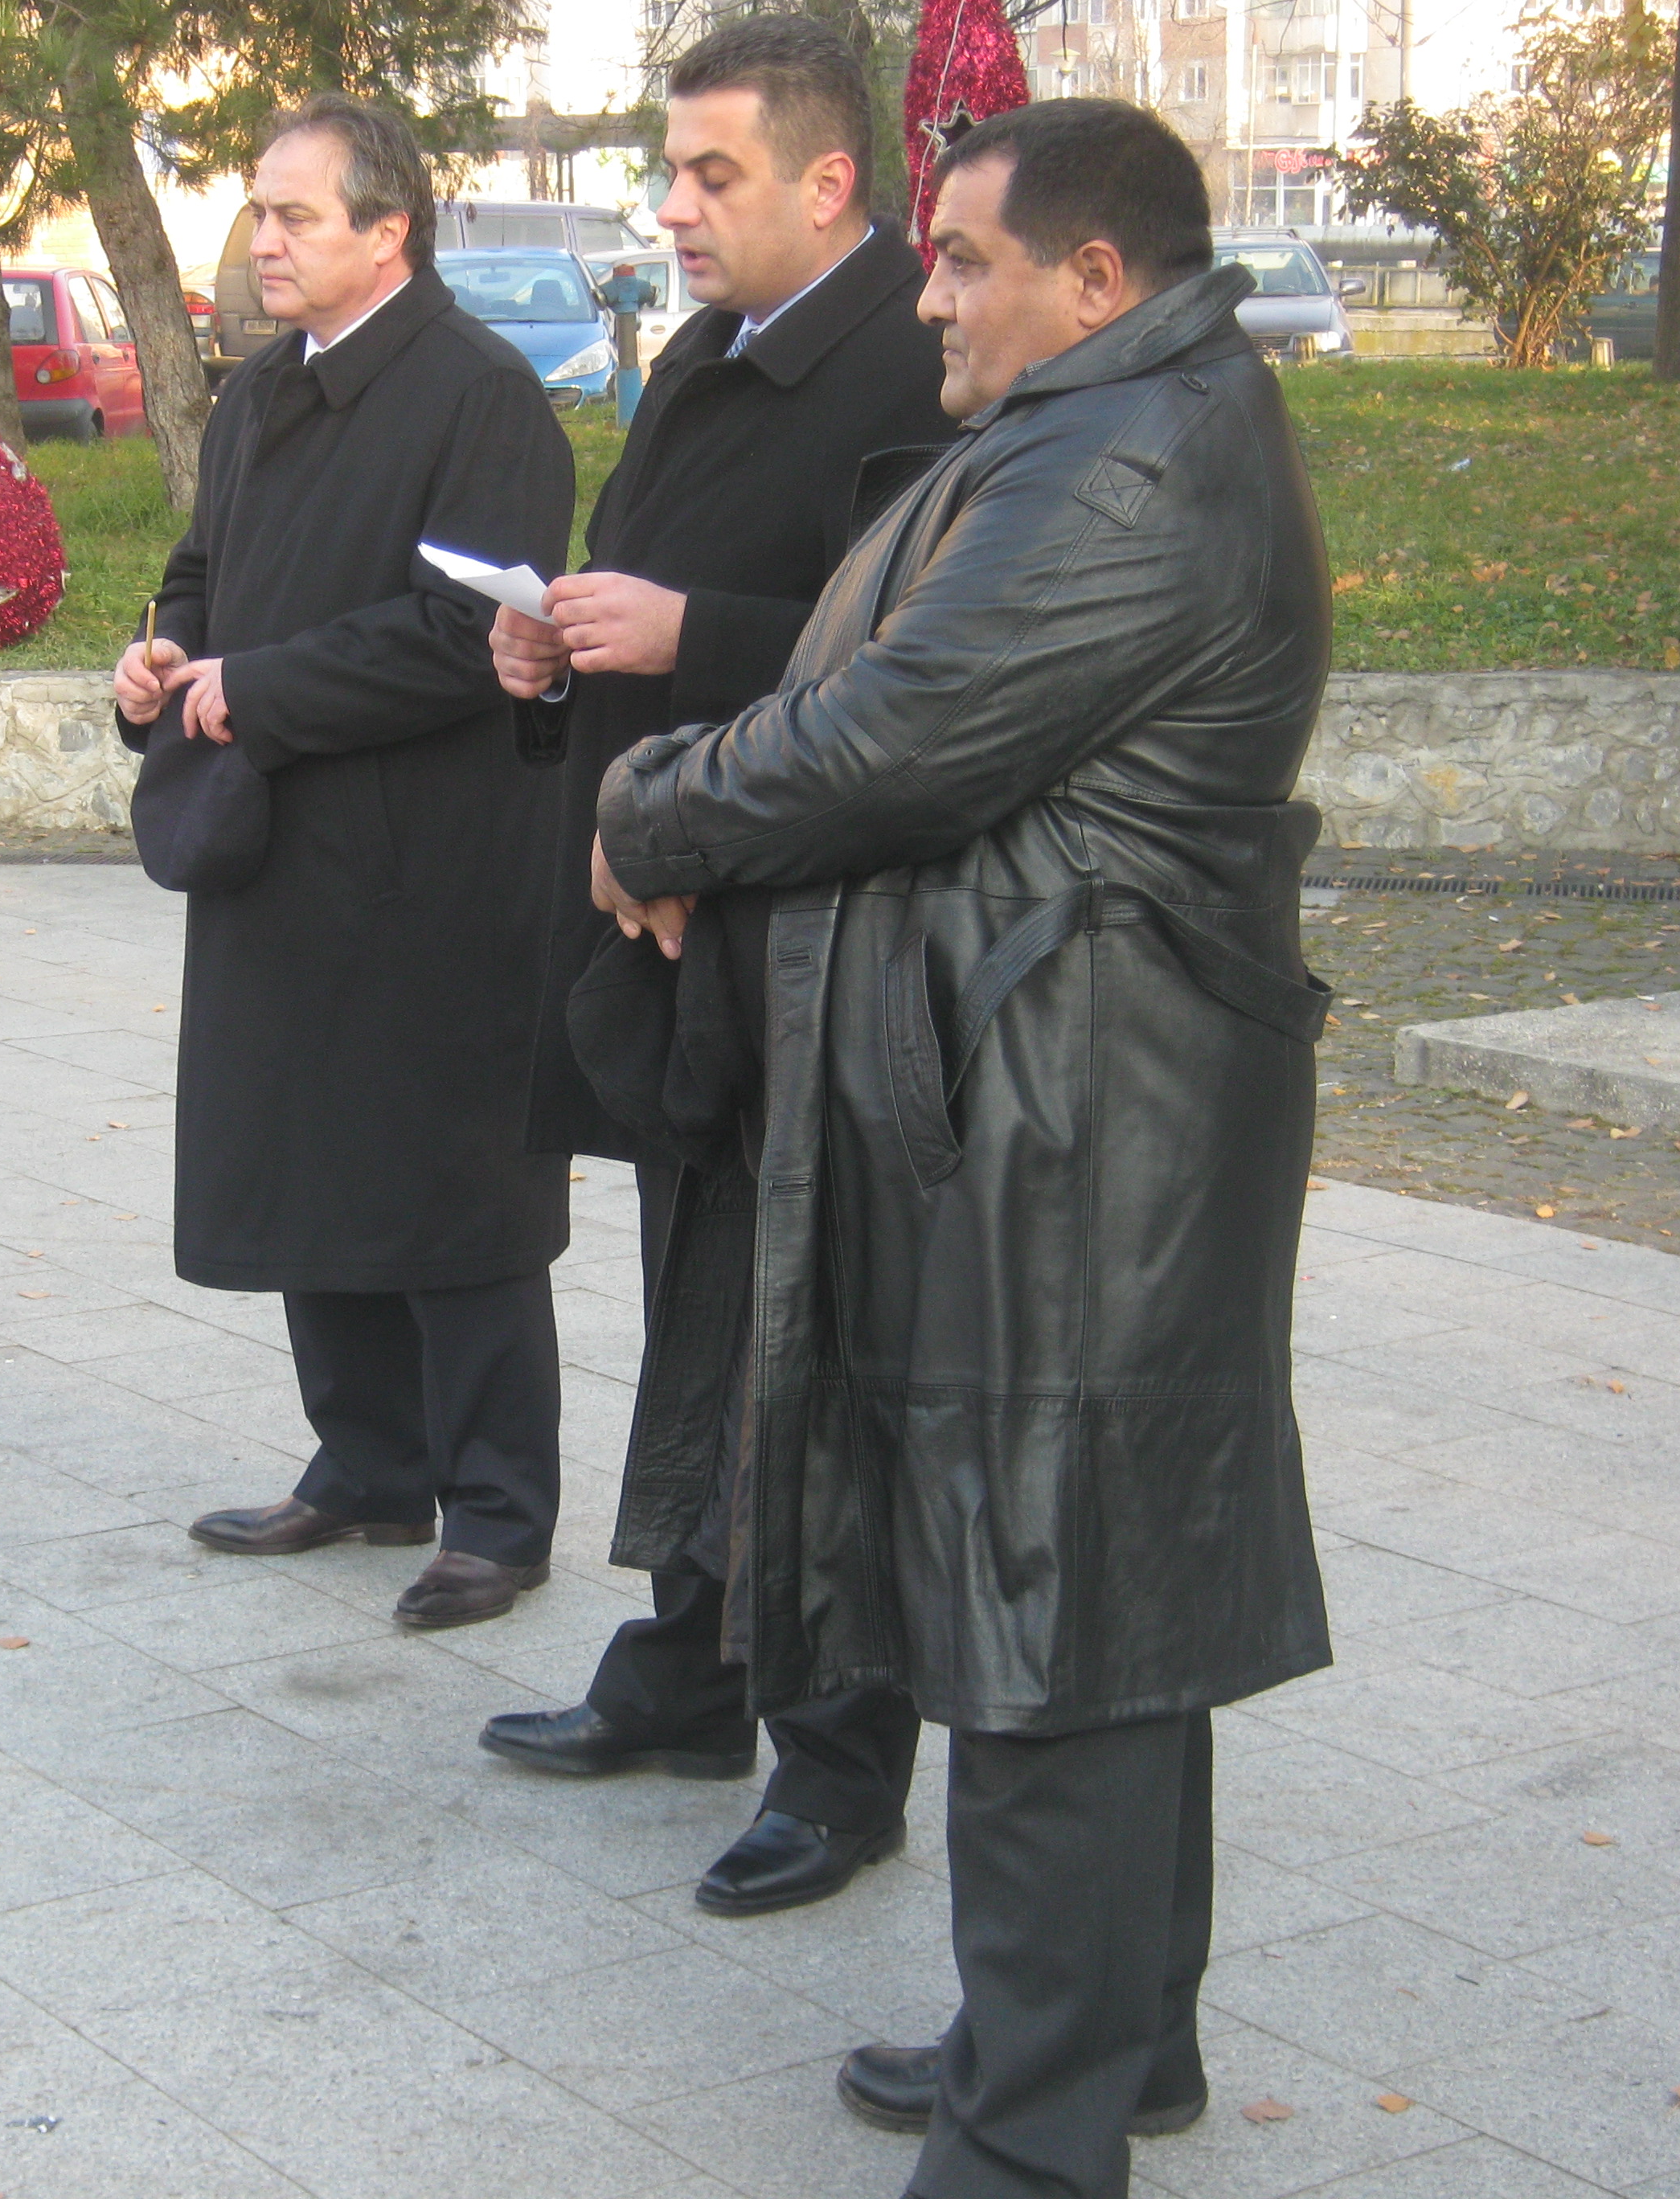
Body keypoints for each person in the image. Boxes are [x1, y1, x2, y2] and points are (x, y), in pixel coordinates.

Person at [585, 101, 1333, 2197]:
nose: (930, 295)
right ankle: (1098, 2046)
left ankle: (1032, 2143)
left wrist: (652, 805)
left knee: (1052, 1609)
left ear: (1094, 279)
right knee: (1100, 1594)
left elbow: (892, 735)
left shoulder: (1129, 459)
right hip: (1066, 1085)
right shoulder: (1117, 418)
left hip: (1087, 1119)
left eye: (967, 259)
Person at [474, 14, 957, 1922]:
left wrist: (691, 636)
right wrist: (555, 649)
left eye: (711, 174)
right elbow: (648, 601)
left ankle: (840, 1762)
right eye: (669, 172)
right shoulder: (701, 350)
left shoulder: (917, 360)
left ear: (831, 182)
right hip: (673, 914)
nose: (670, 208)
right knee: (700, 1310)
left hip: (820, 935)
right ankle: (691, 1667)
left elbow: (920, 672)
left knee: (814, 1349)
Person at [114, 96, 577, 1630]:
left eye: (292, 215)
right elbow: (201, 570)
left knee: (451, 1190)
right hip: (278, 849)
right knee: (310, 1158)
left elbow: (468, 633)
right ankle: (369, 1465)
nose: (261, 240)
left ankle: (497, 1511)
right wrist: (164, 652)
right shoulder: (257, 393)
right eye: (257, 212)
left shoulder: (480, 394)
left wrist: (257, 687)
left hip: (432, 867)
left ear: (388, 231)